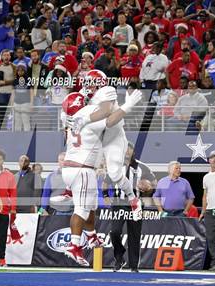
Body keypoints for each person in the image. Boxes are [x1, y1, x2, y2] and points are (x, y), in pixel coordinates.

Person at [62, 88, 142, 266]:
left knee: (91, 205)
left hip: (71, 167)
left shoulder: (69, 121)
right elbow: (110, 120)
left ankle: (91, 237)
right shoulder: (88, 118)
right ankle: (73, 245)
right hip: (82, 168)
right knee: (82, 209)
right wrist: (128, 105)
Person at [109, 142, 157, 272]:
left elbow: (153, 183)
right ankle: (119, 257)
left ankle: (134, 266)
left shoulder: (142, 167)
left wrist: (148, 189)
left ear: (133, 151)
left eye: (128, 149)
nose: (126, 151)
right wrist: (106, 196)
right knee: (115, 232)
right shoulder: (115, 166)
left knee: (134, 235)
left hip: (135, 204)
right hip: (119, 204)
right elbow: (106, 181)